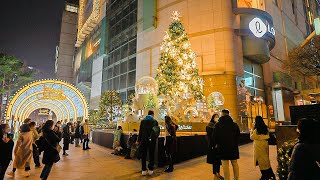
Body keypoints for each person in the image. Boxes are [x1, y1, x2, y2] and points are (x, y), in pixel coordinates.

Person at [214, 109, 240, 180]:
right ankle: (236, 178)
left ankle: (227, 179)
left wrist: (216, 144)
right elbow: (238, 135)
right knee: (234, 163)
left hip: (222, 148)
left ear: (222, 114)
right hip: (233, 147)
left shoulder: (218, 125)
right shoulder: (234, 124)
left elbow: (215, 137)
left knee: (225, 165)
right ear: (228, 114)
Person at [136, 110, 159, 176]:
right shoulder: (155, 121)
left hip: (144, 140)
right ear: (153, 114)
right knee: (151, 154)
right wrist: (155, 138)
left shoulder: (143, 121)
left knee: (144, 155)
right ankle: (150, 169)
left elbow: (140, 132)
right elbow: (157, 132)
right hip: (152, 141)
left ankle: (143, 170)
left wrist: (138, 140)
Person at [206, 114, 223, 180]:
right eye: (216, 117)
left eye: (218, 117)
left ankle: (218, 174)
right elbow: (210, 136)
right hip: (213, 146)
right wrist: (213, 144)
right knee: (214, 161)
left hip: (218, 146)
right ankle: (215, 175)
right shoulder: (210, 125)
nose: (217, 118)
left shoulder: (218, 125)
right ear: (213, 117)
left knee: (218, 161)